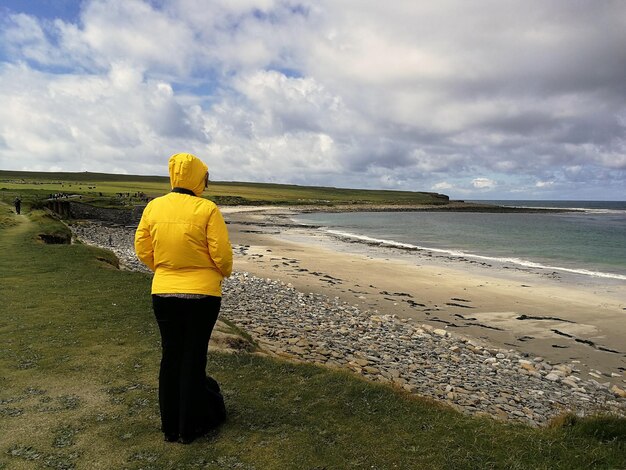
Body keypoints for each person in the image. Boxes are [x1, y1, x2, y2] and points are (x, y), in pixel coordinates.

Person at [134, 153, 233, 444]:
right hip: (203, 295)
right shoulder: (207, 209)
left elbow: (142, 246)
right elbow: (222, 255)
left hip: (164, 292)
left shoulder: (154, 207)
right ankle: (190, 427)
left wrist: (163, 269)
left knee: (171, 356)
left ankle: (170, 427)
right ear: (200, 178)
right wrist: (219, 273)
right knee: (193, 356)